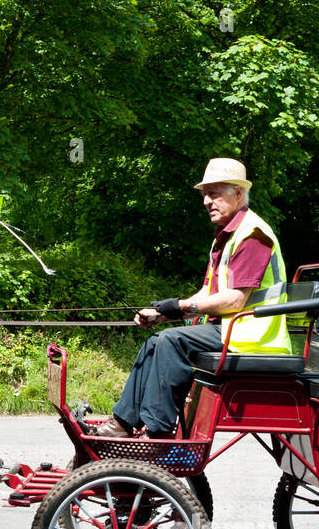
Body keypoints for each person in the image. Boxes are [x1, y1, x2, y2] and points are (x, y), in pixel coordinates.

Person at [98, 157, 291, 438]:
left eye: (215, 193)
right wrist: (164, 313)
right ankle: (122, 423)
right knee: (155, 340)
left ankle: (157, 432)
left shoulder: (253, 235)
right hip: (230, 328)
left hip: (253, 336)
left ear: (238, 194)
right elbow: (207, 293)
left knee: (171, 341)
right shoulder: (226, 236)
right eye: (205, 194)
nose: (206, 201)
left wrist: (181, 306)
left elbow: (235, 300)